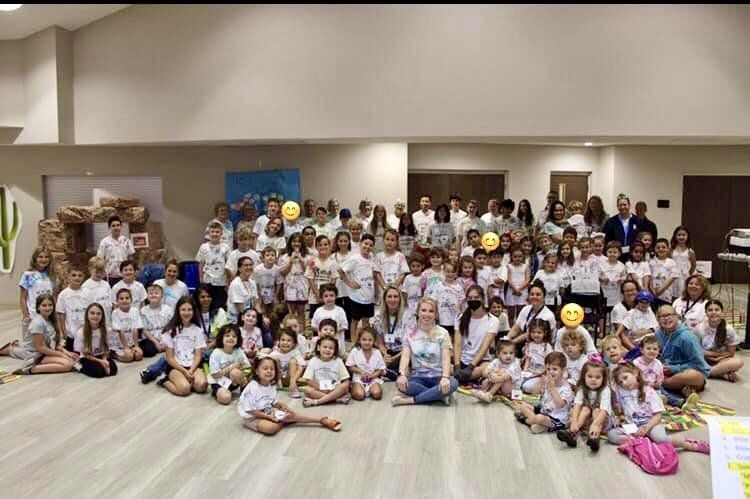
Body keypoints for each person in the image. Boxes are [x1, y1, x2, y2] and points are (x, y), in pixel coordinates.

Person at [607, 363, 709, 454]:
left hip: (651, 424)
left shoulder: (649, 392)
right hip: (632, 426)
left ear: (635, 373)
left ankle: (690, 445)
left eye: (625, 378)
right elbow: (613, 391)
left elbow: (658, 416)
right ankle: (641, 443)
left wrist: (646, 428)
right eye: (620, 382)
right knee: (612, 435)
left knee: (660, 438)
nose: (624, 383)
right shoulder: (621, 391)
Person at [238, 356, 342, 435]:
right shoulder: (252, 388)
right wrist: (269, 417)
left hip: (266, 410)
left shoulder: (270, 385)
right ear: (257, 371)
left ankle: (321, 420)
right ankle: (288, 420)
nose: (269, 371)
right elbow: (251, 410)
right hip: (253, 417)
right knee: (271, 428)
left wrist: (282, 405)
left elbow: (270, 401)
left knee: (291, 414)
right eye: (265, 368)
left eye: (272, 369)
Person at [391, 298, 459, 406]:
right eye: (423, 310)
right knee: (400, 384)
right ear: (418, 312)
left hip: (438, 377)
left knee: (454, 383)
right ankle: (438, 396)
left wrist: (445, 377)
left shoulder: (443, 333)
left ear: (436, 314)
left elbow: (446, 358)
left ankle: (411, 400)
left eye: (431, 311)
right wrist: (402, 374)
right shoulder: (409, 332)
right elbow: (405, 357)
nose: (427, 314)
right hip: (417, 377)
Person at [1, 294, 75, 375]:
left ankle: (14, 347)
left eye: (50, 305)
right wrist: (60, 354)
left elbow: (53, 343)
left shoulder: (51, 320)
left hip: (45, 351)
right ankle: (29, 369)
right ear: (38, 307)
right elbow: (40, 347)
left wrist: (67, 352)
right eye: (44, 305)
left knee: (71, 361)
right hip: (36, 354)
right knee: (68, 364)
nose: (47, 308)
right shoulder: (38, 323)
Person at [655, 305, 710, 399]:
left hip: (686, 373)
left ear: (677, 317)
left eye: (669, 315)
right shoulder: (658, 334)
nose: (666, 318)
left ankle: (660, 384)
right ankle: (682, 389)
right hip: (665, 372)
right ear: (658, 320)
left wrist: (674, 368)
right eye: (662, 316)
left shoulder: (687, 337)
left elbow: (698, 365)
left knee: (691, 375)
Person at [556, 360, 612, 452]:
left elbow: (604, 411)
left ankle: (594, 437)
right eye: (590, 376)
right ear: (584, 376)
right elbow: (577, 406)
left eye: (598, 377)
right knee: (585, 409)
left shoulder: (605, 390)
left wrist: (595, 425)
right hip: (586, 421)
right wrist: (574, 422)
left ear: (603, 378)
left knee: (596, 410)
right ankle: (572, 433)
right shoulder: (582, 388)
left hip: (601, 421)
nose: (593, 379)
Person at [514, 351, 574, 434]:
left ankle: (527, 420)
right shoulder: (548, 382)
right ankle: (539, 425)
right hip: (544, 411)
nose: (551, 372)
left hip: (557, 419)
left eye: (555, 369)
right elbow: (535, 396)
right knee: (523, 405)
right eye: (548, 369)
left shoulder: (566, 388)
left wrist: (552, 388)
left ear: (563, 370)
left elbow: (560, 405)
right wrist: (541, 383)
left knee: (540, 418)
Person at [160, 296, 208, 396]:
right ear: (178, 311)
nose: (186, 313)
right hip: (176, 366)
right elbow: (170, 358)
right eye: (183, 309)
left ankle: (187, 380)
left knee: (202, 386)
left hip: (193, 365)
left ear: (193, 311)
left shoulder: (197, 330)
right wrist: (184, 371)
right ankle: (164, 381)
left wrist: (191, 370)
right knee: (184, 389)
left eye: (189, 309)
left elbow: (198, 355)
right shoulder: (170, 330)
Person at [453, 285, 499, 383]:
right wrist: (456, 366)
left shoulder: (493, 320)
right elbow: (457, 344)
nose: (473, 300)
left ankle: (463, 377)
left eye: (476, 297)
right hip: (462, 359)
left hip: (480, 362)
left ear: (482, 299)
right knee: (443, 364)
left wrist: (471, 367)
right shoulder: (460, 318)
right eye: (470, 298)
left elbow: (484, 347)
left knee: (486, 368)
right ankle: (462, 376)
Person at [338, 233, 376, 344]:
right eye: (365, 244)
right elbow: (340, 270)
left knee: (366, 321)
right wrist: (349, 283)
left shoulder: (372, 257)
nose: (367, 247)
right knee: (355, 321)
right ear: (360, 243)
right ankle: (354, 342)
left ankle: (365, 342)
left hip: (369, 297)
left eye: (370, 245)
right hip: (357, 297)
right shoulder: (355, 259)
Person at [701, 300, 744, 382]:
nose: (713, 312)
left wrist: (717, 358)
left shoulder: (729, 329)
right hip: (703, 359)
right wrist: (711, 355)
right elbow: (696, 350)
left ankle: (707, 372)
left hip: (721, 359)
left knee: (738, 362)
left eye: (717, 310)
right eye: (710, 310)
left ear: (722, 311)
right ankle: (721, 372)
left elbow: (731, 353)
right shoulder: (699, 328)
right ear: (705, 313)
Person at [302, 336, 352, 406]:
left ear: (335, 350)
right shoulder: (313, 360)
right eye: (325, 347)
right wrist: (320, 388)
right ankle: (336, 399)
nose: (327, 350)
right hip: (319, 387)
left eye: (331, 348)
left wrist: (341, 387)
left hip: (334, 388)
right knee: (307, 390)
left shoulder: (338, 361)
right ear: (318, 348)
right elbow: (308, 379)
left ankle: (317, 402)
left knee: (345, 386)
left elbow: (346, 380)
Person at [373, 286, 409, 381]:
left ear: (400, 299)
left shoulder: (407, 316)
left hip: (403, 352)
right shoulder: (378, 317)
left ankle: (391, 372)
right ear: (385, 299)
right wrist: (386, 355)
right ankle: (389, 371)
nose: (392, 299)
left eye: (395, 296)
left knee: (407, 360)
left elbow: (410, 344)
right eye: (389, 296)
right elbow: (380, 343)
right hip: (386, 352)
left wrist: (395, 357)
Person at [208, 323, 250, 405]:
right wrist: (232, 367)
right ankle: (218, 392)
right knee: (226, 399)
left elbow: (247, 367)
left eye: (234, 336)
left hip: (234, 381)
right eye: (227, 336)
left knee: (235, 372)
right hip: (219, 382)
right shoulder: (216, 353)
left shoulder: (239, 351)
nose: (231, 338)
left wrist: (242, 373)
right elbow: (215, 375)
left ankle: (244, 390)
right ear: (221, 337)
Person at [506, 281, 557, 346]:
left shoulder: (548, 315)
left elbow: (529, 334)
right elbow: (516, 327)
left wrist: (511, 343)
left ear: (544, 297)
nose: (534, 297)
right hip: (524, 344)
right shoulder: (525, 309)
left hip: (540, 346)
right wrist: (507, 338)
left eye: (538, 295)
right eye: (532, 294)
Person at [74, 303, 118, 378]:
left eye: (98, 314)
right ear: (87, 315)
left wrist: (104, 360)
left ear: (102, 316)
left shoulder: (106, 330)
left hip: (101, 355)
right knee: (98, 372)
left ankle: (101, 365)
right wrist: (100, 362)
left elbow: (107, 349)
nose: (95, 316)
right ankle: (79, 367)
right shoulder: (81, 332)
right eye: (92, 313)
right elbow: (84, 354)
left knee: (113, 370)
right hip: (88, 357)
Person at [18, 247, 54, 334]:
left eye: (46, 257)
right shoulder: (28, 275)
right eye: (40, 257)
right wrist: (26, 315)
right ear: (35, 258)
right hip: (33, 314)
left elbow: (54, 296)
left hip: (48, 314)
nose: (43, 259)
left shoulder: (52, 276)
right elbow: (23, 298)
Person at [196, 222, 231, 308]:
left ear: (221, 233)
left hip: (221, 282)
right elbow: (201, 264)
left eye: (217, 232)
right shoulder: (203, 247)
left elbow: (228, 266)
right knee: (208, 305)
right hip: (207, 281)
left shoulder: (226, 247)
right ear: (209, 233)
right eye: (212, 232)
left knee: (219, 306)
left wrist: (228, 281)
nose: (215, 234)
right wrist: (201, 280)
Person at [346, 327, 386, 401]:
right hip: (358, 378)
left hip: (372, 378)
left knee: (377, 394)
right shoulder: (355, 351)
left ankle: (370, 389)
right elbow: (350, 367)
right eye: (364, 340)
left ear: (374, 341)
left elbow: (380, 369)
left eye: (370, 340)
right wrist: (362, 372)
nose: (367, 342)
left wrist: (372, 376)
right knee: (359, 395)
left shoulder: (377, 352)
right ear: (359, 340)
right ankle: (354, 388)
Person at [278, 233, 310, 321]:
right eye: (294, 241)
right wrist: (290, 262)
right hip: (290, 284)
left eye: (299, 242)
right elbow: (283, 273)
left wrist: (301, 260)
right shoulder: (284, 257)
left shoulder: (307, 257)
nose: (296, 244)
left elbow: (308, 272)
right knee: (290, 312)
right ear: (290, 243)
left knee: (301, 312)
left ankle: (302, 329)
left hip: (302, 283)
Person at [306, 235, 338, 319]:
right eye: (320, 245)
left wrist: (327, 295)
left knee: (328, 319)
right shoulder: (312, 262)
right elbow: (310, 279)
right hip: (314, 297)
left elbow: (333, 280)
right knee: (315, 320)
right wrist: (317, 295)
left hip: (328, 297)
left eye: (325, 244)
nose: (323, 247)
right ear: (316, 247)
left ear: (329, 246)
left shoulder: (333, 262)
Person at [602, 195, 643, 262]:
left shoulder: (637, 221)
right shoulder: (611, 222)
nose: (622, 207)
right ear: (617, 207)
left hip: (633, 255)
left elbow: (641, 238)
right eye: (620, 205)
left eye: (624, 205)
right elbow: (606, 240)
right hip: (615, 256)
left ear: (629, 205)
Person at [97, 215, 135, 286]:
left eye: (118, 225)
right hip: (109, 277)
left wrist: (132, 272)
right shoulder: (104, 242)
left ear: (121, 226)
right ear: (109, 227)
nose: (116, 227)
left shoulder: (126, 240)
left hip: (124, 275)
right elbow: (99, 259)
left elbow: (131, 258)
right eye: (113, 226)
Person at [311, 284, 349, 353]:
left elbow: (345, 326)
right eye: (326, 296)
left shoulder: (340, 310)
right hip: (323, 341)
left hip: (337, 340)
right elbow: (313, 325)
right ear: (322, 298)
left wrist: (332, 331)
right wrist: (320, 332)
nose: (329, 298)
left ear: (336, 296)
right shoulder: (318, 311)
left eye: (331, 295)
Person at [57, 266, 87, 353]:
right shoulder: (63, 294)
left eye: (80, 275)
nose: (77, 278)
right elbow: (61, 315)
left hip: (85, 333)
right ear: (68, 277)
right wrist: (64, 332)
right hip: (70, 334)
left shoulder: (88, 292)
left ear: (83, 277)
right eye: (74, 275)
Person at [520, 319, 554, 394]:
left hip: (541, 374)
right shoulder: (529, 344)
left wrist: (540, 373)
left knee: (527, 387)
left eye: (539, 332)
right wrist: (525, 371)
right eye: (533, 332)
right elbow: (528, 360)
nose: (536, 335)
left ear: (545, 333)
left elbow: (549, 364)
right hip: (530, 372)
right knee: (516, 382)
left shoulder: (547, 346)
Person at [269, 328, 306, 398]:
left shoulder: (295, 352)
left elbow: (302, 366)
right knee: (274, 359)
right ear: (279, 342)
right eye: (283, 340)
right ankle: (277, 384)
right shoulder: (275, 352)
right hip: (279, 378)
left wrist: (293, 380)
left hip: (291, 378)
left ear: (294, 344)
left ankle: (293, 388)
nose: (285, 342)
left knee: (293, 361)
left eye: (289, 340)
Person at [110, 288, 144, 363]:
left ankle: (131, 350)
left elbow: (135, 329)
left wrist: (136, 346)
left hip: (131, 341)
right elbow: (120, 331)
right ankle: (114, 354)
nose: (124, 300)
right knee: (129, 357)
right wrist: (126, 348)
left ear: (131, 300)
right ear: (117, 301)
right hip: (120, 343)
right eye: (121, 299)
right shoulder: (115, 313)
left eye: (127, 298)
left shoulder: (135, 311)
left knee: (139, 355)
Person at [140, 283, 173, 357]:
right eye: (151, 293)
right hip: (150, 338)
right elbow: (145, 330)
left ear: (162, 296)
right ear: (147, 296)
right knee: (148, 350)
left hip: (164, 335)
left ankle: (163, 347)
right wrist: (156, 342)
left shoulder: (167, 309)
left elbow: (170, 326)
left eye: (156, 293)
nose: (153, 295)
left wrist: (165, 340)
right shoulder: (143, 310)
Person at [226, 256, 261, 324]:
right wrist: (254, 318)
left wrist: (261, 316)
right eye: (246, 265)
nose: (249, 267)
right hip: (237, 320)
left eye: (250, 265)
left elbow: (256, 303)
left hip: (250, 317)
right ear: (239, 269)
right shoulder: (236, 284)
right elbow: (241, 309)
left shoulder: (252, 283)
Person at [649, 238, 678, 308]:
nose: (661, 249)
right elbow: (649, 277)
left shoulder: (671, 262)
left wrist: (661, 290)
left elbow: (673, 277)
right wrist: (653, 291)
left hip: (666, 294)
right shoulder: (651, 262)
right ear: (654, 249)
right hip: (653, 294)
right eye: (658, 248)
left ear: (668, 249)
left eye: (663, 247)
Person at [670, 226, 696, 298]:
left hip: (684, 276)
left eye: (683, 235)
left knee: (684, 294)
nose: (681, 237)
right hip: (673, 275)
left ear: (687, 236)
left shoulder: (690, 251)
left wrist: (688, 273)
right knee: (673, 294)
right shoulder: (671, 250)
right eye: (679, 235)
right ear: (675, 236)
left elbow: (693, 265)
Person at [412, 194, 435, 259]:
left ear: (430, 203)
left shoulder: (434, 214)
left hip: (431, 246)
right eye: (423, 201)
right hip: (418, 246)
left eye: (427, 201)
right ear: (420, 203)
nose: (425, 203)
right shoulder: (415, 215)